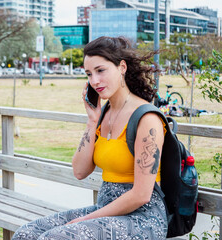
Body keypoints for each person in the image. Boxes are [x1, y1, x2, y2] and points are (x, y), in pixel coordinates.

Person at [12, 36, 168, 240]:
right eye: (88, 74)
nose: (94, 81)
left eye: (101, 70)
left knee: (55, 238)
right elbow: (79, 171)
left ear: (122, 67)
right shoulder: (104, 114)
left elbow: (141, 195)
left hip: (143, 220)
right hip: (106, 212)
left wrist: (87, 219)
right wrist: (92, 120)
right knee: (26, 233)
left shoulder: (146, 119)